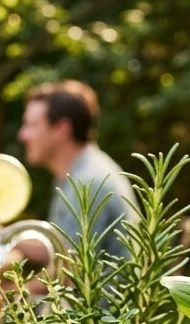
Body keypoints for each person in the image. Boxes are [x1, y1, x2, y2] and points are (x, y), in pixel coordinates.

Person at [17, 80, 137, 260]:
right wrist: (5, 239)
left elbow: (69, 275)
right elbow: (60, 247)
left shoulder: (87, 182)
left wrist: (2, 287)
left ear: (61, 129)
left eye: (32, 125)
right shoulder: (80, 170)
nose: (22, 135)